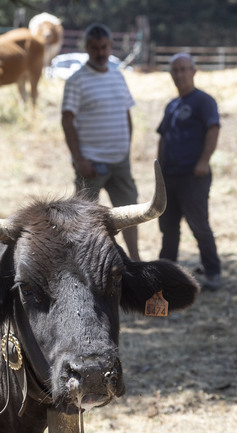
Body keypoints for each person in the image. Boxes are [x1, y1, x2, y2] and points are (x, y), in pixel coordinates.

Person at [61, 23, 140, 261]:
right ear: (87, 48)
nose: (100, 52)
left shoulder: (118, 75)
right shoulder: (76, 80)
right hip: (91, 163)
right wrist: (79, 159)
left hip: (120, 162)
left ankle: (135, 261)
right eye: (95, 48)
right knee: (85, 220)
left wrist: (126, 149)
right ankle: (84, 264)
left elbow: (126, 113)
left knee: (131, 214)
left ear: (110, 46)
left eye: (104, 47)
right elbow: (67, 121)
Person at [156, 52, 221, 290]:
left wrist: (204, 161)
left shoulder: (204, 101)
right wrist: (158, 170)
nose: (180, 74)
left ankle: (213, 273)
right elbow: (163, 137)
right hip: (169, 176)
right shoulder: (172, 105)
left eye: (184, 69)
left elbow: (213, 130)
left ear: (194, 72)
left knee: (199, 226)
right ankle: (166, 276)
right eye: (176, 70)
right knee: (168, 229)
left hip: (194, 176)